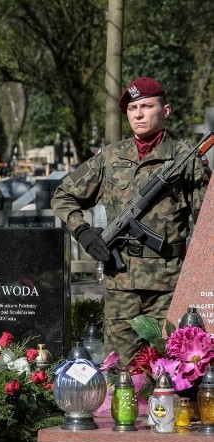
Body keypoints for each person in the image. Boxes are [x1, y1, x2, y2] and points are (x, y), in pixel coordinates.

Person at [51, 77, 210, 364]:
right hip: (120, 283)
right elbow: (63, 196)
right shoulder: (110, 157)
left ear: (166, 110)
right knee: (119, 370)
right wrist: (83, 231)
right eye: (132, 108)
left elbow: (207, 224)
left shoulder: (185, 159)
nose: (138, 114)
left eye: (147, 106)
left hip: (168, 284)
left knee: (171, 369)